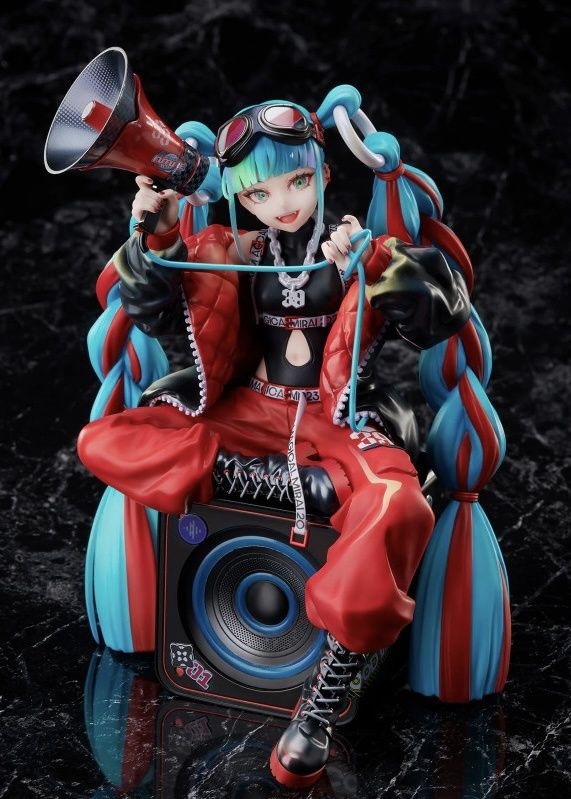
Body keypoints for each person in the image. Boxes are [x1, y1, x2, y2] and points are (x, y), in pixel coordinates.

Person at [77, 85, 506, 789]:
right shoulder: (227, 248)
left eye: (297, 182)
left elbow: (445, 312)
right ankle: (236, 476)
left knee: (399, 505)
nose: (280, 203)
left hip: (334, 417)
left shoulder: (354, 246)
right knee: (106, 438)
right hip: (249, 410)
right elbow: (149, 310)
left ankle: (320, 700)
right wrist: (152, 235)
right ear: (238, 197)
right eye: (257, 193)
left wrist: (376, 262)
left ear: (325, 174)